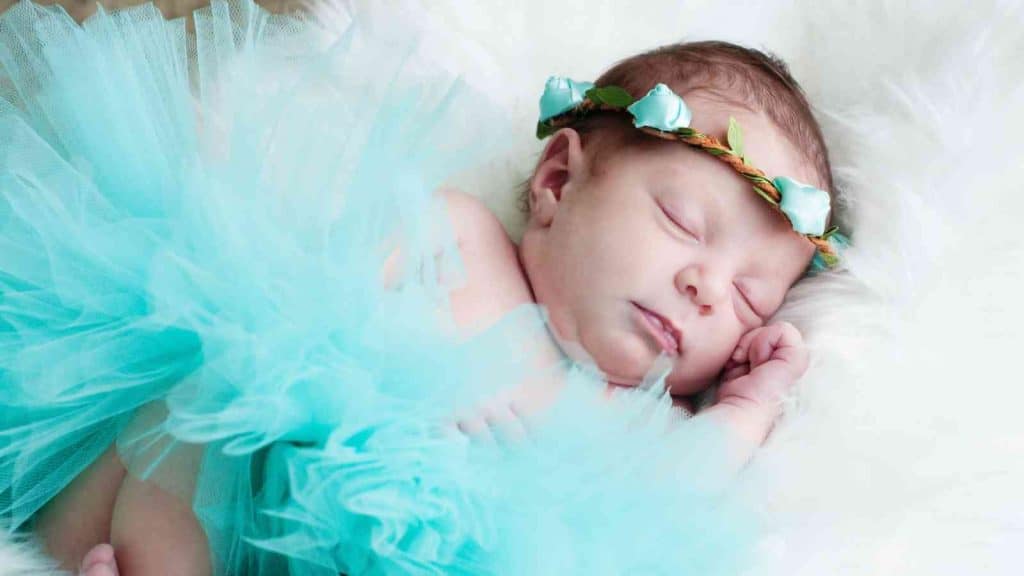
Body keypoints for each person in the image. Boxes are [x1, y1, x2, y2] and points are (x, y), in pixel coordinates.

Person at [0, 0, 847, 574]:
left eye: (750, 300)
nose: (707, 289)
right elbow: (300, 294)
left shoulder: (651, 420)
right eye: (684, 223)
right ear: (556, 181)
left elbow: (682, 496)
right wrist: (410, 365)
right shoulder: (460, 239)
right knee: (205, 391)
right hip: (259, 486)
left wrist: (748, 407)